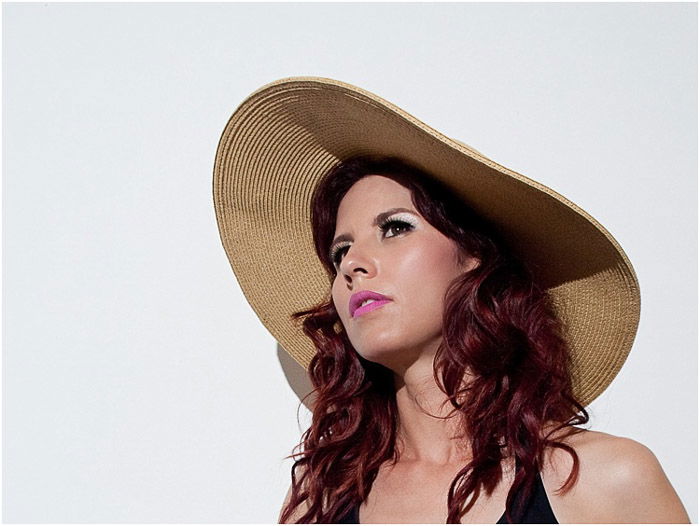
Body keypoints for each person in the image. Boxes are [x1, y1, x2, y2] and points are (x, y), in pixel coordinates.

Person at [212, 77, 690, 523]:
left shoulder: (603, 481)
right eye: (340, 252)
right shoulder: (321, 500)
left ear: (474, 256)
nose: (353, 264)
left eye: (394, 228)